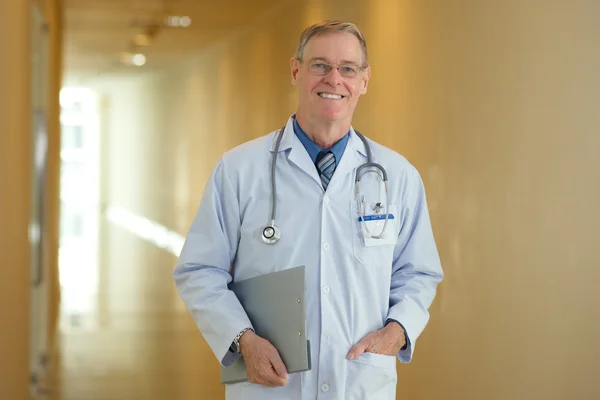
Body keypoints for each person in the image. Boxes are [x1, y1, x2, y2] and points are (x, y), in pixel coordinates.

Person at [173, 20, 444, 400]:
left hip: (360, 383)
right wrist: (242, 340)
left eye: (348, 69)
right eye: (320, 65)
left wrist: (396, 331)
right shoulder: (239, 169)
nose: (334, 79)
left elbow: (419, 272)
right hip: (271, 387)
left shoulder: (396, 175)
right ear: (296, 71)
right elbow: (199, 270)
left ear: (364, 80)